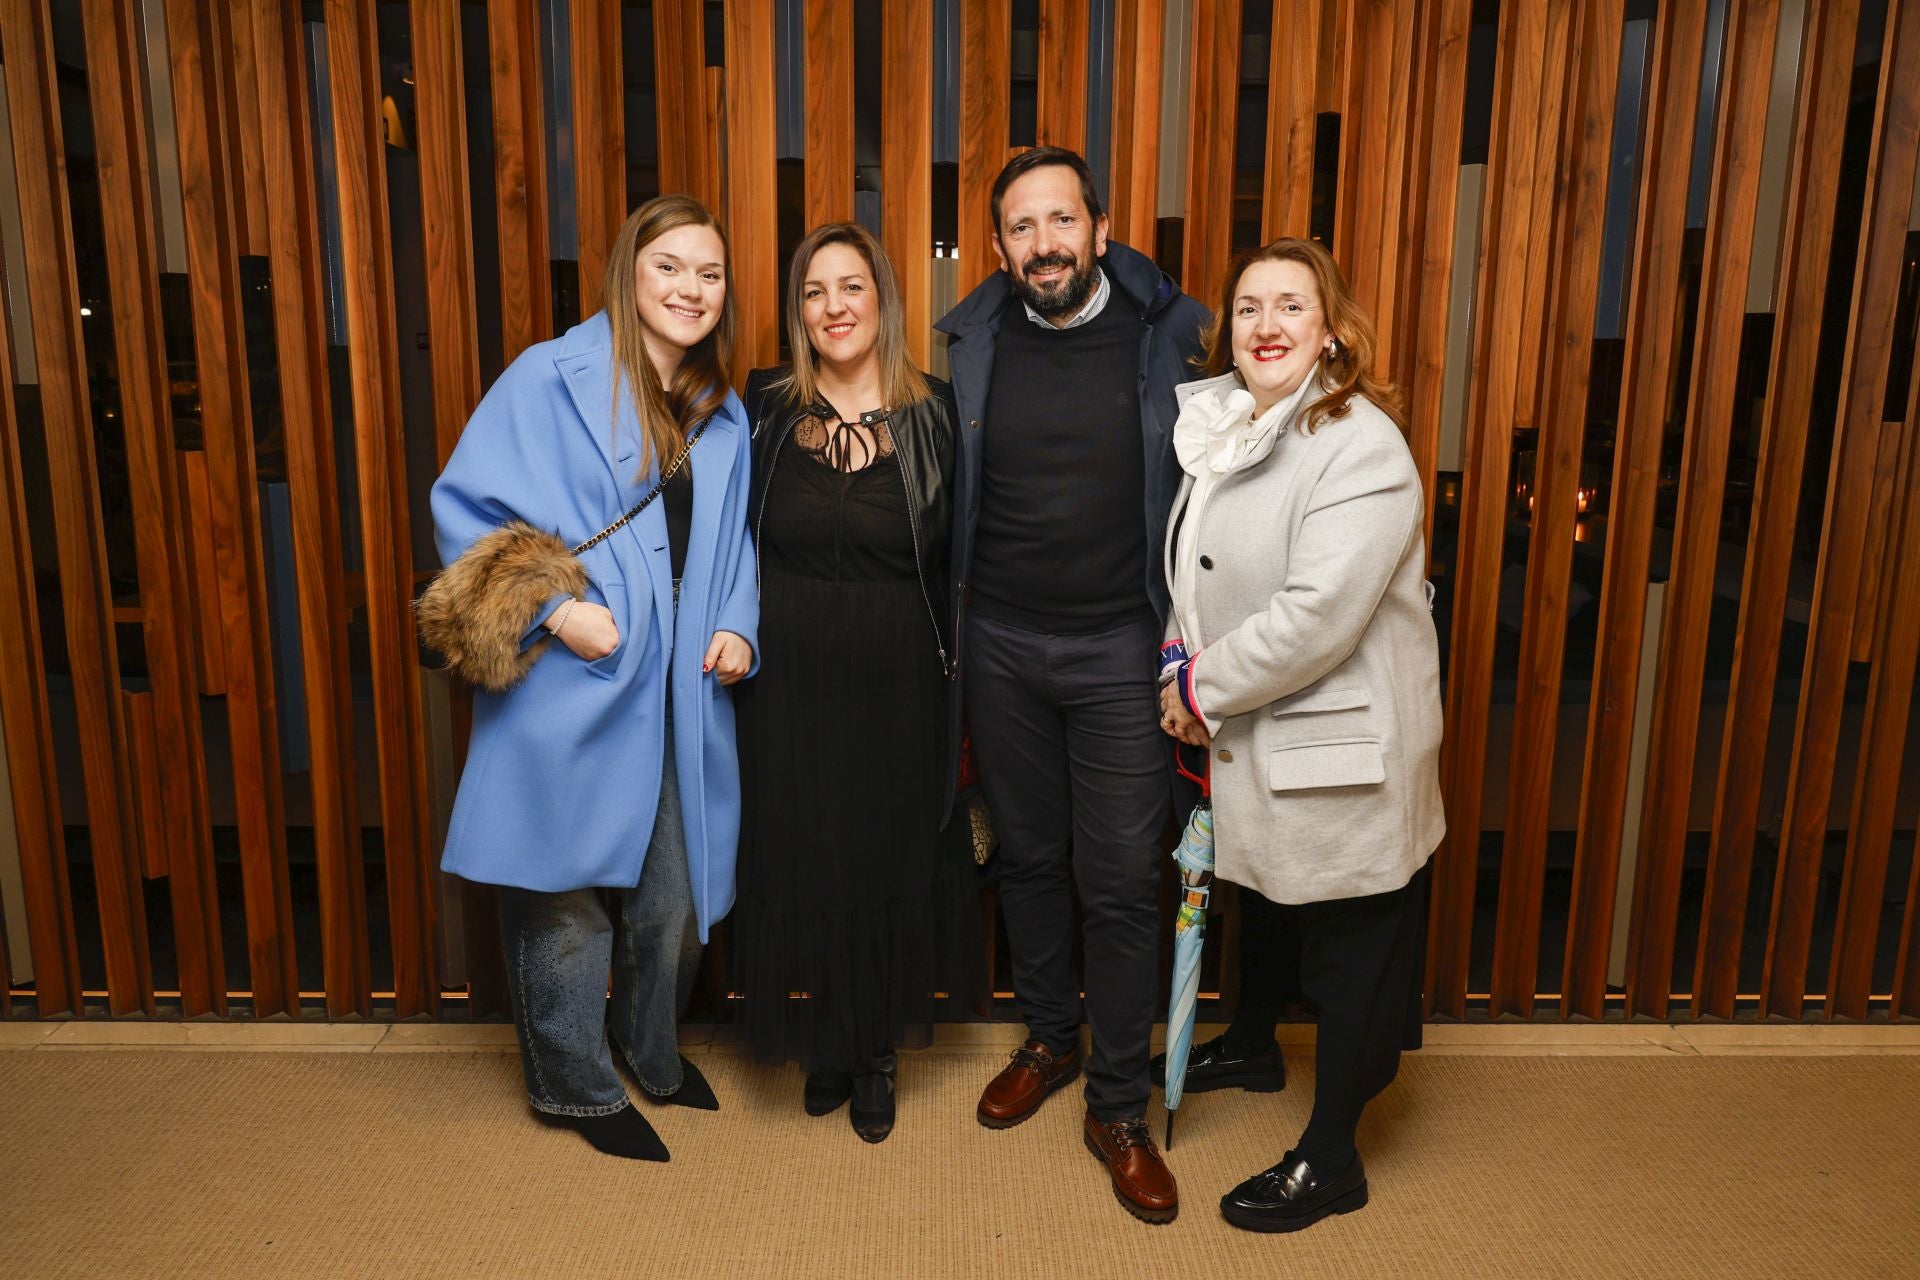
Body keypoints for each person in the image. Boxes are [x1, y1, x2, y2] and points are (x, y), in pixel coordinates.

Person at [426, 194, 759, 1163]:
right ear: (629, 272)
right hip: (576, 673)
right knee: (563, 892)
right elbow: (468, 508)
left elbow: (733, 540)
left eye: (710, 272)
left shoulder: (721, 407)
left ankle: (647, 1046)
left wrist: (739, 619)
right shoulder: (550, 375)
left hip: (683, 682)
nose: (692, 288)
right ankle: (573, 1085)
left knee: (679, 889)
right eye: (670, 267)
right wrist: (557, 610)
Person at [935, 146, 1209, 1224]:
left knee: (1118, 872)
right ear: (999, 245)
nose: (1042, 243)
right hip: (999, 639)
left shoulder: (1174, 337)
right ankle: (1051, 1036)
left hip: (1119, 648)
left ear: (1098, 227)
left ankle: (1118, 1103)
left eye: (1060, 221)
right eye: (1020, 226)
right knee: (1031, 854)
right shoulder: (970, 339)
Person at [1158, 236, 1444, 1232]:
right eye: (1247, 308)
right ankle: (1251, 1039)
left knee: (1351, 942)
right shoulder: (1235, 427)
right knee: (1268, 904)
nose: (1266, 325)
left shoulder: (1360, 443)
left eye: (1289, 306)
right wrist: (1174, 657)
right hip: (1264, 728)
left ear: (1331, 331)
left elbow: (1317, 614)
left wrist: (1199, 686)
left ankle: (1331, 1158)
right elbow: (1199, 571)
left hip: (1344, 743)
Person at [734, 222, 979, 1144]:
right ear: (798, 311)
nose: (834, 308)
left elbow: (964, 561)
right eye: (813, 292)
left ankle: (873, 1047)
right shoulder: (761, 406)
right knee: (808, 854)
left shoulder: (940, 416)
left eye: (851, 287)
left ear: (883, 300)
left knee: (882, 858)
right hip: (787, 681)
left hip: (898, 683)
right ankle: (827, 1039)